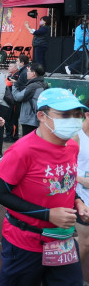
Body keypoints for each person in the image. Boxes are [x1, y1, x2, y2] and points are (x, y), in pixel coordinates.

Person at [0, 88, 89, 285]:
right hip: (26, 242)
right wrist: (47, 214)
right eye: (65, 114)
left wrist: (77, 201)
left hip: (63, 241)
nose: (73, 120)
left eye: (77, 114)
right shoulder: (22, 150)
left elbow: (65, 182)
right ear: (42, 116)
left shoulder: (72, 146)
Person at [11, 62, 47, 136]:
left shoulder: (32, 86)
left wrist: (14, 85)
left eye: (28, 71)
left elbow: (18, 97)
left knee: (28, 140)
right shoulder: (44, 85)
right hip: (39, 119)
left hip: (30, 120)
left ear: (33, 74)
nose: (26, 73)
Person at [75, 105, 89, 266]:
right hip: (79, 195)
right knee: (85, 243)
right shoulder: (75, 136)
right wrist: (80, 179)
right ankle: (73, 276)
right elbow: (61, 166)